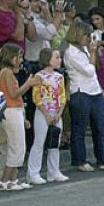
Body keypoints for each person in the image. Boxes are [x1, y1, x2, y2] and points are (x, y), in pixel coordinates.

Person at [63, 22, 104, 172]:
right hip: (81, 91)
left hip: (94, 91)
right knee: (80, 128)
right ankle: (79, 160)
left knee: (103, 126)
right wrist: (93, 53)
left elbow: (94, 74)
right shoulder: (71, 53)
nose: (89, 39)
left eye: (90, 36)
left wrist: (101, 90)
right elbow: (89, 70)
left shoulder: (85, 50)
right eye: (86, 35)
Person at [0, 43, 41, 190]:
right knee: (17, 147)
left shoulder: (6, 72)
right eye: (18, 57)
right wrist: (28, 84)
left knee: (15, 147)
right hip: (11, 111)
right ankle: (5, 180)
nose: (21, 60)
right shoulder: (7, 73)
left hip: (14, 111)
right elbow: (13, 94)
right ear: (10, 57)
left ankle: (12, 180)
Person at [29, 48, 68, 184]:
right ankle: (33, 172)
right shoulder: (39, 76)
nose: (59, 60)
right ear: (47, 59)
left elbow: (62, 96)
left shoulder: (60, 77)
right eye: (56, 57)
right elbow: (36, 97)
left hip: (56, 112)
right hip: (42, 112)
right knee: (39, 142)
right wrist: (46, 114)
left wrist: (59, 113)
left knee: (55, 142)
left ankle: (54, 171)